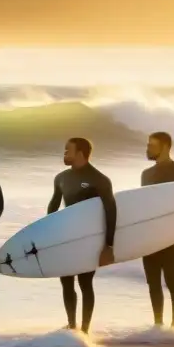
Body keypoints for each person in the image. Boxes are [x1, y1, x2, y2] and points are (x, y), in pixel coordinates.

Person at [47, 137, 117, 334]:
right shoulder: (61, 178)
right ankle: (71, 326)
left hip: (89, 240)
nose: (64, 153)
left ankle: (85, 331)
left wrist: (108, 246)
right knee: (66, 282)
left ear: (80, 153)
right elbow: (53, 207)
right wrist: (48, 239)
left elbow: (111, 212)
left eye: (68, 150)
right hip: (66, 238)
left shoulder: (100, 180)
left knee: (85, 283)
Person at [141, 131, 174, 327]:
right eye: (148, 145)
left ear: (166, 147)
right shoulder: (145, 175)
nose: (148, 149)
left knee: (172, 283)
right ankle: (158, 327)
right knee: (153, 284)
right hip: (150, 238)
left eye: (152, 146)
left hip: (172, 238)